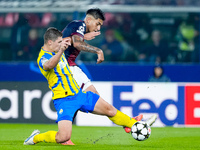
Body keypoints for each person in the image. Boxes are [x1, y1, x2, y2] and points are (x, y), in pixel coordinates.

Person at [24, 27, 157, 146]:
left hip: (80, 95)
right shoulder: (43, 57)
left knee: (109, 110)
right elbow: (49, 65)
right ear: (49, 42)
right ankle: (36, 137)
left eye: (61, 42)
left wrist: (83, 37)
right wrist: (61, 51)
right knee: (63, 137)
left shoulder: (58, 46)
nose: (61, 45)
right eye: (58, 43)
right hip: (64, 101)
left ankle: (134, 125)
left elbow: (73, 40)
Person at [62, 8, 105, 95]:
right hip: (67, 66)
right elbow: (77, 44)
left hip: (62, 67)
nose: (98, 28)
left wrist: (83, 36)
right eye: (97, 24)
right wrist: (98, 51)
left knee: (76, 101)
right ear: (88, 20)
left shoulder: (78, 29)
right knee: (94, 97)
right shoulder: (80, 24)